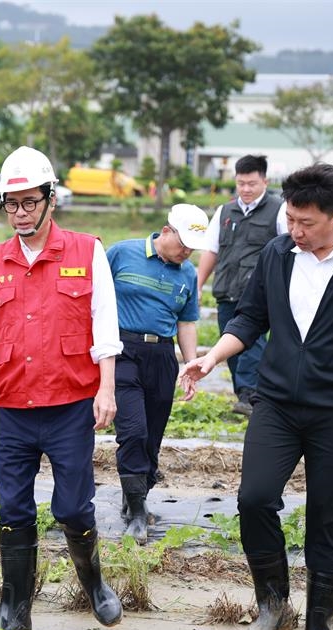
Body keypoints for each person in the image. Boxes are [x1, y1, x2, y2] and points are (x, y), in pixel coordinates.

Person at [178, 163, 333, 630]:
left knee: (329, 516)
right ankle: (273, 603)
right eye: (290, 219)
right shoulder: (278, 254)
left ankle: (319, 629)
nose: (295, 231)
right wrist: (212, 358)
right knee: (254, 499)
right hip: (278, 402)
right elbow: (251, 316)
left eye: (306, 223)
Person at [0, 146, 123, 630]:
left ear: (51, 200)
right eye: (11, 204)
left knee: (71, 507)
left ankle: (94, 584)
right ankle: (15, 604)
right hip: (13, 406)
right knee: (13, 508)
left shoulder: (87, 251)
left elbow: (104, 323)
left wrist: (106, 388)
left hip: (70, 404)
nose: (19, 214)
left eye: (28, 203)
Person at [106, 204, 209, 544]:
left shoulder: (188, 273)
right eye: (183, 243)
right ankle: (137, 510)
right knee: (133, 430)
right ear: (166, 231)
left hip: (162, 354)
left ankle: (135, 490)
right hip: (123, 350)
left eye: (193, 246)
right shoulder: (122, 253)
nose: (187, 251)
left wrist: (191, 364)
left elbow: (187, 321)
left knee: (151, 435)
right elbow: (94, 301)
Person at [195, 155, 288, 416]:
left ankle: (251, 393)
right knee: (230, 343)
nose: (246, 189)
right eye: (241, 184)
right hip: (227, 290)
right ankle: (244, 393)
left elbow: (289, 250)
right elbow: (211, 251)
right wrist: (199, 285)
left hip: (260, 294)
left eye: (252, 183)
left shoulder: (279, 211)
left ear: (265, 182)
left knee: (252, 341)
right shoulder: (225, 212)